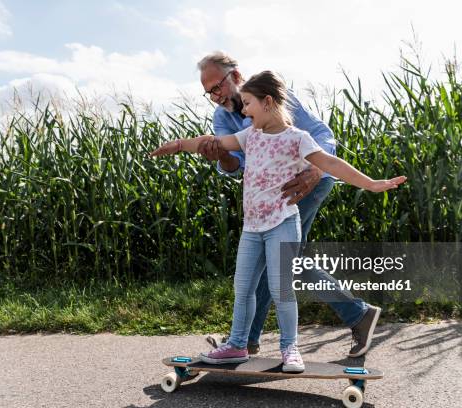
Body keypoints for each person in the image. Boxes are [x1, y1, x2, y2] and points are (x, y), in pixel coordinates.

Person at [150, 70, 406, 372]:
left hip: (282, 222)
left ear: (268, 102)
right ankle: (237, 345)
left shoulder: (298, 138)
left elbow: (331, 163)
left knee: (281, 288)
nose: (244, 111)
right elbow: (215, 145)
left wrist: (373, 184)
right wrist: (180, 145)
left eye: (248, 104)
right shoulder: (250, 136)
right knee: (242, 287)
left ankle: (289, 349)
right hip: (253, 227)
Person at [197, 51, 384, 358]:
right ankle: (250, 339)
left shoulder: (269, 97)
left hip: (306, 182)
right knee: (282, 261)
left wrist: (317, 169)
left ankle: (245, 340)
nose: (216, 96)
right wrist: (221, 155)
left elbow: (322, 134)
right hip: (274, 193)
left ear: (236, 76)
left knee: (282, 260)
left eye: (218, 87)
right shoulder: (222, 118)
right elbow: (235, 165)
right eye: (209, 93)